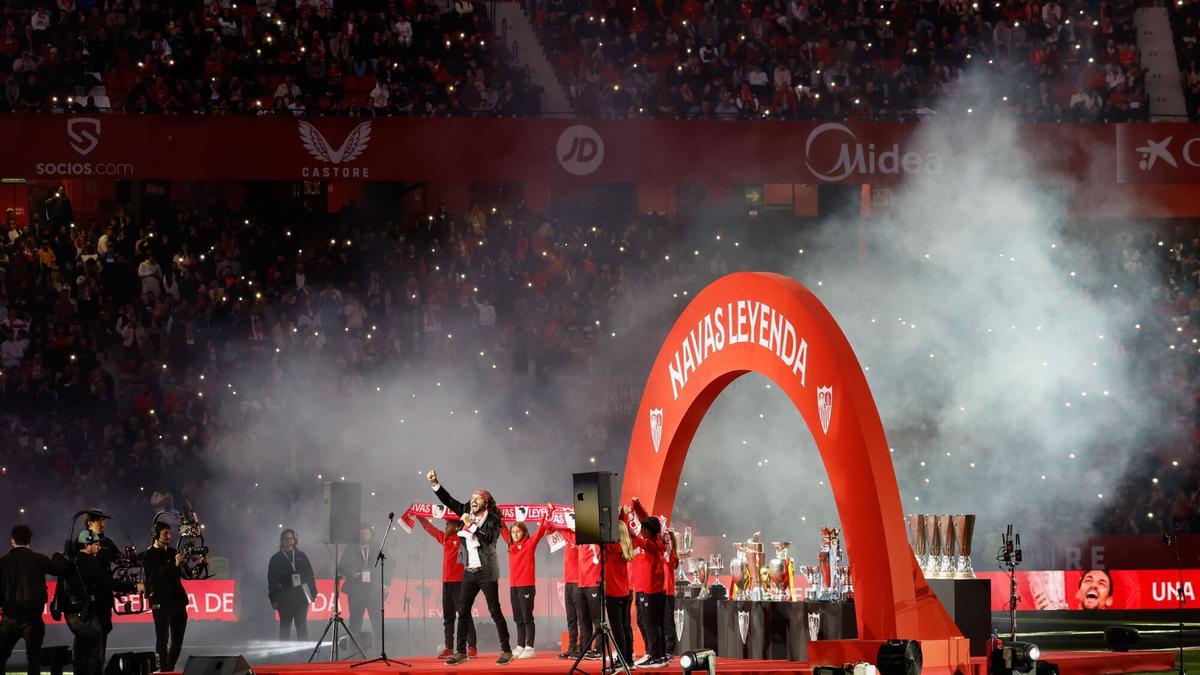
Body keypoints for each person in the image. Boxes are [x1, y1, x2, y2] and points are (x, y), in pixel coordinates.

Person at [426, 469, 514, 665]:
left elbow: (489, 539)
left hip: (486, 572)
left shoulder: (493, 519)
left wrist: (471, 526)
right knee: (463, 611)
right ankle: (460, 652)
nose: (473, 500)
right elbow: (449, 501)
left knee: (494, 610)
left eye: (478, 498)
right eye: (472, 497)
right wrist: (435, 484)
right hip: (469, 571)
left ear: (486, 502)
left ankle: (506, 650)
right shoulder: (466, 511)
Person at [63, 531, 137, 675]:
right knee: (92, 656)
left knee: (82, 653)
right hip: (85, 615)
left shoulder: (76, 560)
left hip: (78, 613)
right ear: (86, 545)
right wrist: (133, 586)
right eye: (96, 544)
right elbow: (105, 581)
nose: (98, 546)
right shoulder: (86, 561)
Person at [0, 525, 70, 675]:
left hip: (9, 617)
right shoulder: (38, 559)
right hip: (33, 618)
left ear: (12, 541)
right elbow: (60, 569)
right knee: (34, 659)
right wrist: (58, 555)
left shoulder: (3, 562)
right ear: (30, 540)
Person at [417, 516, 478, 659]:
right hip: (447, 583)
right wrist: (420, 517)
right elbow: (430, 529)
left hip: (460, 583)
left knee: (464, 615)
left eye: (448, 524)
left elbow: (472, 530)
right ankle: (449, 647)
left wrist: (463, 519)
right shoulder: (445, 538)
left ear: (456, 526)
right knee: (448, 617)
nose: (445, 526)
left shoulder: (463, 538)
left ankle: (472, 647)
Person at [142, 522, 192, 671]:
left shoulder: (173, 551)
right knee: (162, 639)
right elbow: (154, 576)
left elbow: (185, 573)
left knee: (178, 639)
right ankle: (162, 669)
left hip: (178, 602)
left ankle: (169, 668)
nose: (168, 537)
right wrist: (173, 564)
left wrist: (201, 565)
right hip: (160, 602)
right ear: (156, 535)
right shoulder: (148, 555)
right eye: (165, 533)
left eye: (170, 533)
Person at [500, 512, 551, 658]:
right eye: (513, 532)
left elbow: (541, 530)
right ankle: (520, 645)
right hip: (514, 586)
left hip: (526, 586)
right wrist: (497, 513)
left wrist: (547, 513)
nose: (515, 534)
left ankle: (530, 647)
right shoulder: (510, 545)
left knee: (527, 616)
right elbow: (502, 527)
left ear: (524, 532)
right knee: (518, 617)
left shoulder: (529, 544)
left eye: (518, 531)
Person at [630, 498, 668, 668]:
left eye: (643, 529)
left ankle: (654, 655)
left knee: (649, 623)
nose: (640, 530)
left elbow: (639, 541)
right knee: (646, 622)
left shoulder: (653, 544)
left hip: (649, 590)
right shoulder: (656, 536)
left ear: (649, 532)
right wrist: (637, 506)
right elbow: (646, 519)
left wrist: (625, 525)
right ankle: (657, 655)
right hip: (646, 589)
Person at [267, 529, 318, 641]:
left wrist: (314, 592)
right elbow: (271, 581)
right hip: (284, 599)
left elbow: (310, 575)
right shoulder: (276, 559)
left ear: (295, 540)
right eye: (286, 539)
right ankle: (284, 655)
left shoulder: (301, 556)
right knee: (285, 628)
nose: (288, 541)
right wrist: (273, 598)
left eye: (291, 538)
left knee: (302, 627)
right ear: (282, 540)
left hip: (301, 597)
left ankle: (304, 654)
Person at [339, 525, 382, 646]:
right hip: (356, 591)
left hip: (373, 590)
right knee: (355, 620)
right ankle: (354, 646)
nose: (365, 536)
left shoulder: (377, 548)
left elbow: (389, 564)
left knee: (377, 619)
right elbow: (341, 567)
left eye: (367, 534)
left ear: (371, 535)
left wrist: (385, 584)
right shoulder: (350, 549)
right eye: (362, 534)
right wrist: (351, 572)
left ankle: (380, 646)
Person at [604, 515, 635, 668]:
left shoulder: (610, 548)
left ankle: (622, 660)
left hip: (613, 594)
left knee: (618, 630)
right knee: (626, 627)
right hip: (626, 592)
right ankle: (629, 659)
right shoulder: (625, 545)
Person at [663, 529, 681, 660]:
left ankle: (669, 649)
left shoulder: (671, 555)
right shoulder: (663, 553)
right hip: (658, 591)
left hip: (667, 592)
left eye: (666, 539)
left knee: (668, 622)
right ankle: (662, 649)